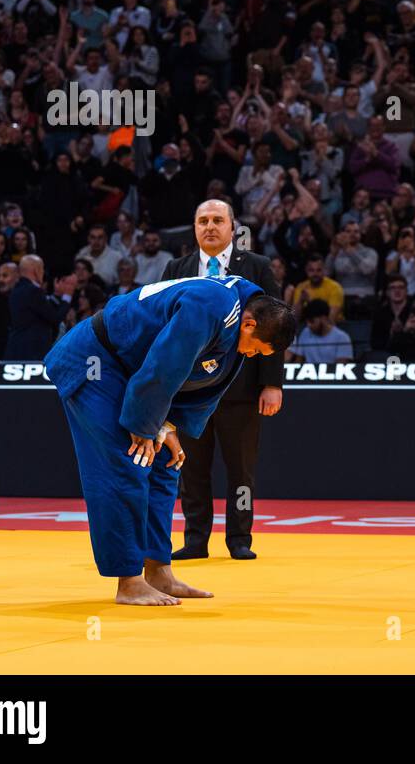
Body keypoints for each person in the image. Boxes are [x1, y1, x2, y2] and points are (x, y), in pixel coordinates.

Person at [43, 276, 295, 605]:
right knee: (129, 461)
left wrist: (168, 426)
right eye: (257, 348)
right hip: (96, 361)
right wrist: (145, 425)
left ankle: (158, 570)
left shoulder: (235, 319)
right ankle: (129, 580)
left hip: (133, 373)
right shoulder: (212, 305)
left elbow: (197, 385)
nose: (252, 354)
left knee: (165, 462)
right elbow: (164, 367)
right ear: (250, 324)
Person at [160, 199, 286, 561]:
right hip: (189, 389)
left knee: (241, 470)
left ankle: (240, 539)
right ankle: (195, 539)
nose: (210, 227)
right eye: (203, 221)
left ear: (233, 227)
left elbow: (274, 325)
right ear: (194, 228)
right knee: (191, 468)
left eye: (218, 220)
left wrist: (272, 383)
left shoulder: (257, 266)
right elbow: (164, 326)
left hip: (241, 388)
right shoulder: (177, 268)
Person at [4, 255, 76, 360]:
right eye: (42, 268)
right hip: (31, 351)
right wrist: (67, 297)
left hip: (18, 348)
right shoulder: (33, 291)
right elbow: (55, 318)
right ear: (36, 270)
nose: (43, 272)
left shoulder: (17, 290)